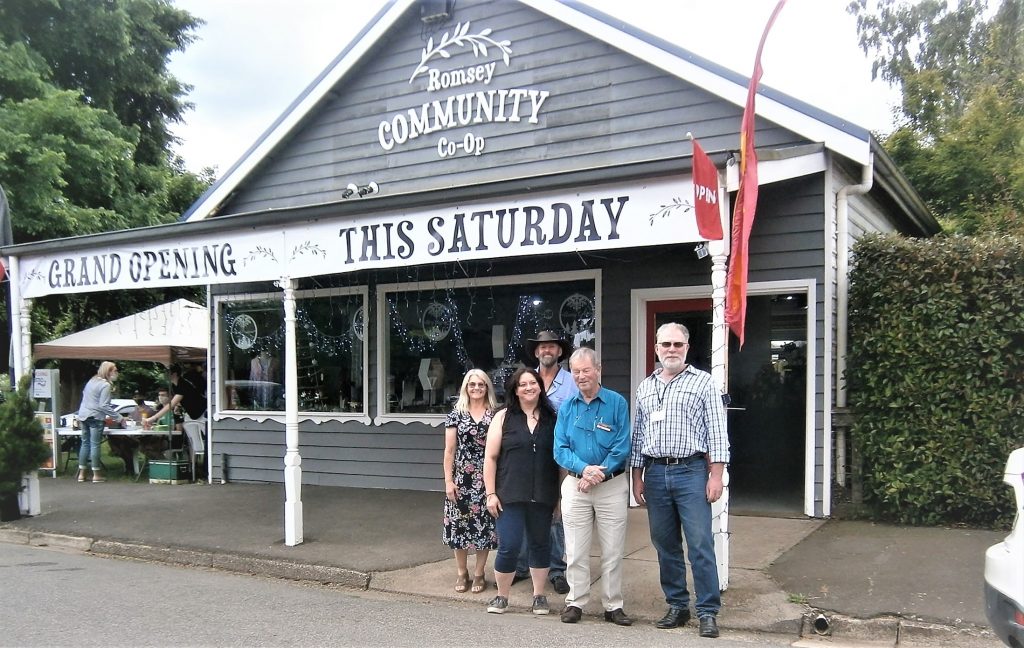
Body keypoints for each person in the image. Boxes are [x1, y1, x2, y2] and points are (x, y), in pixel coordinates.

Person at [631, 322, 730, 639]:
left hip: (691, 472)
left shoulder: (704, 383)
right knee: (665, 544)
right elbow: (639, 437)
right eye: (665, 345)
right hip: (656, 473)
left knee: (700, 543)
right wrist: (637, 477)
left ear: (687, 347)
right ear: (656, 348)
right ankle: (677, 604)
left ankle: (707, 611)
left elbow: (717, 433)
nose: (671, 349)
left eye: (677, 344)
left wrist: (716, 475)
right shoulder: (645, 387)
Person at [554, 348, 633, 625]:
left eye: (586, 370)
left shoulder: (616, 403)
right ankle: (575, 602)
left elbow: (622, 445)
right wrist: (583, 470)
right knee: (575, 549)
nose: (581, 376)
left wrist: (597, 474)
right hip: (576, 486)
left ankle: (613, 605)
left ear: (598, 369)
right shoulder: (567, 407)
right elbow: (560, 449)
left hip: (611, 485)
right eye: (576, 371)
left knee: (613, 549)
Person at [483, 367, 560, 616]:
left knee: (540, 544)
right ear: (515, 390)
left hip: (543, 494)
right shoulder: (503, 417)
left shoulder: (553, 417)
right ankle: (501, 596)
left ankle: (539, 596)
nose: (528, 388)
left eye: (533, 383)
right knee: (509, 545)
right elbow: (491, 458)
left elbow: (560, 461)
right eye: (523, 384)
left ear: (540, 387)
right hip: (509, 494)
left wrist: (559, 497)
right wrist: (490, 493)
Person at [514, 330, 577, 595]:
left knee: (555, 512)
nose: (546, 351)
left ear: (560, 351)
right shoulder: (528, 380)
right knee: (526, 508)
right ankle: (520, 566)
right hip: (530, 454)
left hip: (561, 454)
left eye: (551, 346)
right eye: (541, 347)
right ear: (536, 352)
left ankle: (556, 569)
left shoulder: (572, 382)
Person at [442, 369, 499, 595]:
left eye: (481, 385)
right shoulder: (456, 414)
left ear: (487, 388)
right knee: (460, 528)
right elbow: (449, 451)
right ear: (466, 387)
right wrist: (448, 481)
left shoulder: (495, 414)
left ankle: (479, 573)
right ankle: (461, 572)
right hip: (461, 479)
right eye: (472, 384)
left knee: (484, 527)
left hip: (487, 477)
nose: (476, 388)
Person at [76, 361, 122, 483]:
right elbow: (103, 405)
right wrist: (119, 418)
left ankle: (82, 474)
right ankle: (96, 475)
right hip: (96, 416)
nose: (117, 373)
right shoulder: (105, 385)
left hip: (83, 415)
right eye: (115, 370)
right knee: (95, 445)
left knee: (85, 444)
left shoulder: (91, 381)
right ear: (108, 372)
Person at [143, 363, 208, 429]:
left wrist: (153, 418)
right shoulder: (174, 385)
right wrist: (178, 405)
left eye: (168, 373)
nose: (165, 375)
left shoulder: (182, 385)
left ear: (175, 374)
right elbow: (183, 398)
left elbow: (171, 404)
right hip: (195, 415)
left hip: (203, 412)